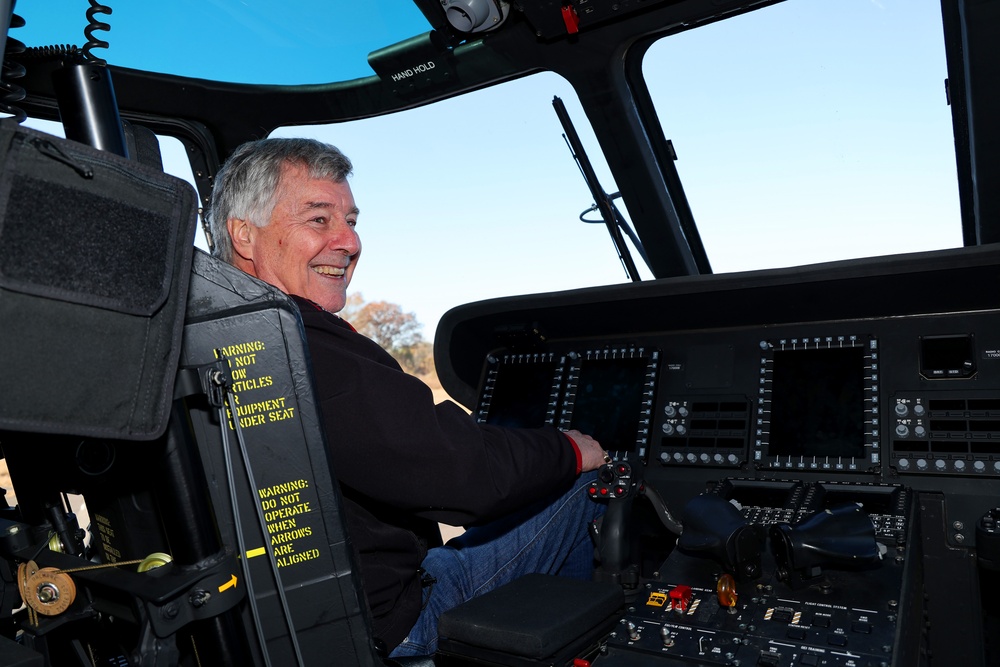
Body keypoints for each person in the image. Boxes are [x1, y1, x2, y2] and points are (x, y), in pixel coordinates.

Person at [207, 137, 608, 657]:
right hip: (386, 624)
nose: (348, 241)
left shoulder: (218, 339)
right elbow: (461, 475)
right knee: (587, 485)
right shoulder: (294, 346)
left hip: (289, 628)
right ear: (244, 235)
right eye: (319, 220)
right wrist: (571, 449)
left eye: (351, 220)